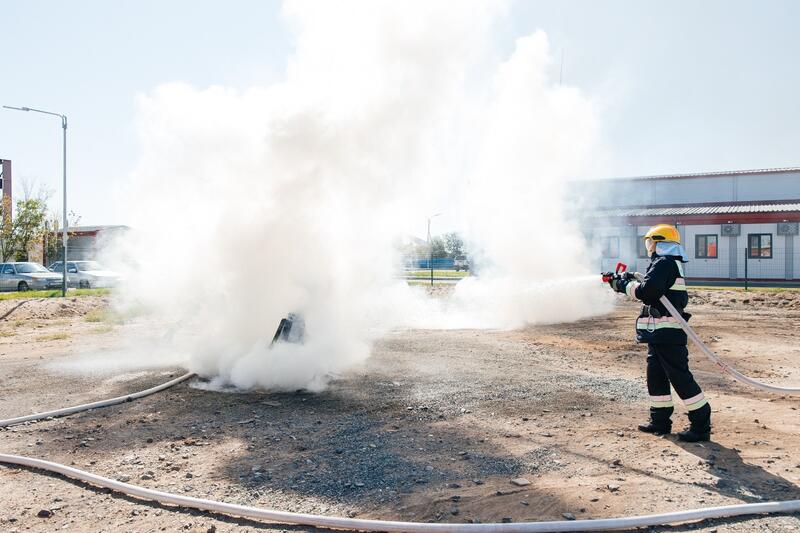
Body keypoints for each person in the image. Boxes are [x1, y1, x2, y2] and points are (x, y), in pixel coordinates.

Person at [608, 224, 711, 442]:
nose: (649, 247)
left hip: (668, 334)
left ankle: (701, 426)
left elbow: (648, 291)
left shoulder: (664, 263)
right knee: (655, 377)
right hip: (659, 334)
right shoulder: (667, 264)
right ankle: (660, 421)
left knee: (680, 378)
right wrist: (627, 280)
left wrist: (622, 285)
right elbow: (652, 286)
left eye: (650, 243)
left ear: (660, 243)